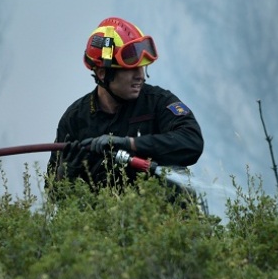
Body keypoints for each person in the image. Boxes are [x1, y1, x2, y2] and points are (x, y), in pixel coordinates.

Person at [47, 16, 203, 193]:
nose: (141, 76)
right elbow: (52, 194)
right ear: (103, 73)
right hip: (105, 210)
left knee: (176, 179)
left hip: (160, 209)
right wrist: (65, 175)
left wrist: (130, 144)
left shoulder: (158, 102)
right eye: (131, 69)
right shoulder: (75, 119)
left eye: (142, 67)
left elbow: (192, 142)